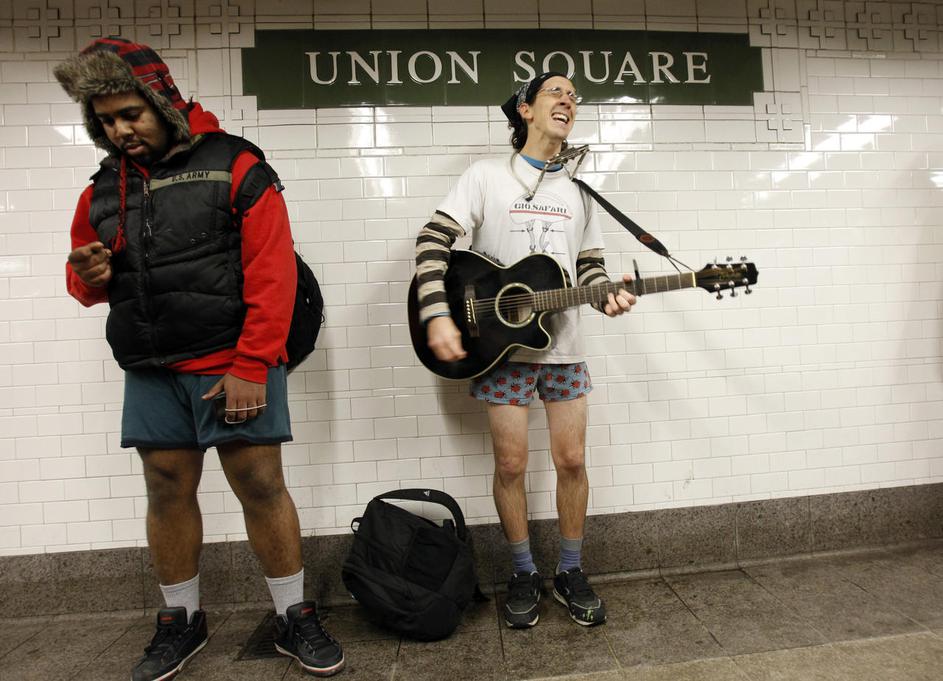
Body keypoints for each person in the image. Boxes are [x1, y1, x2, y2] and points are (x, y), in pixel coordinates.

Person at [55, 38, 343, 679]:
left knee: (260, 485)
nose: (119, 130)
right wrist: (88, 274)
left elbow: (273, 272)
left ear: (161, 102)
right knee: (165, 487)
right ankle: (181, 619)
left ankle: (293, 615)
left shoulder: (234, 163)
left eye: (130, 114)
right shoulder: (102, 189)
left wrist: (252, 365)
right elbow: (86, 282)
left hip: (233, 360)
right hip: (151, 366)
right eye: (105, 120)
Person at [414, 72, 636, 628]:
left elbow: (590, 267)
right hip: (500, 350)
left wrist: (607, 295)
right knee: (511, 465)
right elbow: (432, 240)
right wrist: (436, 312)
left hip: (565, 349)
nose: (569, 101)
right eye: (556, 92)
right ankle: (521, 572)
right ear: (526, 109)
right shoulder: (486, 175)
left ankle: (570, 571)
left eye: (574, 97)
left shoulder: (581, 191)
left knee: (572, 461)